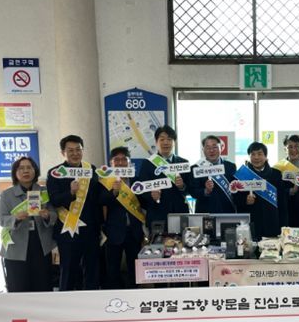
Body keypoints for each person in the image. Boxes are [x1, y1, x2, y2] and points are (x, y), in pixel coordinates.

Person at [46, 135, 102, 291]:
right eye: (70, 150)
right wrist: (70, 193)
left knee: (92, 269)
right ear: (63, 152)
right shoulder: (55, 173)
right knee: (68, 270)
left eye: (78, 149)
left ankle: (91, 300)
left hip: (90, 229)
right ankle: (67, 301)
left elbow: (97, 197)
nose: (75, 153)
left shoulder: (91, 170)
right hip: (67, 229)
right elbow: (54, 200)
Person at [0, 156, 57, 292]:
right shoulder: (7, 195)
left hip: (41, 246)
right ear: (15, 173)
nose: (25, 171)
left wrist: (48, 215)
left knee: (43, 287)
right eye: (21, 168)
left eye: (29, 167)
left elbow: (54, 214)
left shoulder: (44, 192)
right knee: (19, 288)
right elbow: (0, 219)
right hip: (15, 249)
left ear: (35, 171)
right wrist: (15, 218)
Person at [99, 147, 145, 289]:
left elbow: (144, 202)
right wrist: (114, 192)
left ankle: (134, 295)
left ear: (129, 163)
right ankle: (115, 296)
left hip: (134, 231)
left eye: (124, 159)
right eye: (116, 160)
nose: (120, 163)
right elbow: (101, 200)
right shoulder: (105, 182)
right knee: (112, 270)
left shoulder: (137, 181)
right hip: (113, 232)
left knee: (134, 269)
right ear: (111, 163)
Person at [135, 125, 191, 234]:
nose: (166, 142)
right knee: (158, 244)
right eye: (162, 139)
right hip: (157, 215)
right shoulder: (147, 163)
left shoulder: (183, 163)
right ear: (156, 142)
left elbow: (191, 190)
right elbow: (141, 190)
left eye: (169, 139)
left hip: (179, 214)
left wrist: (182, 187)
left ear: (174, 142)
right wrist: (151, 195)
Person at [235, 142, 287, 240]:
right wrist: (245, 200)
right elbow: (236, 199)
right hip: (251, 224)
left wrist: (284, 225)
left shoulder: (276, 174)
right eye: (253, 154)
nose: (256, 157)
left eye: (259, 154)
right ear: (249, 157)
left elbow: (282, 202)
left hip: (272, 222)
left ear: (266, 156)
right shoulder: (242, 175)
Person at [273, 134, 299, 228]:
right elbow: (276, 191)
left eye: (296, 146)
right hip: (286, 210)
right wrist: (290, 191)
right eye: (290, 147)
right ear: (285, 149)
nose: (293, 150)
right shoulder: (278, 168)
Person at [189, 135, 237, 214]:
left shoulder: (230, 166)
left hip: (227, 211)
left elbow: (235, 190)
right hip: (205, 212)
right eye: (208, 147)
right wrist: (206, 191)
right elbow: (192, 191)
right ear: (203, 150)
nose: (211, 150)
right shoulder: (196, 168)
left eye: (215, 147)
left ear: (221, 148)